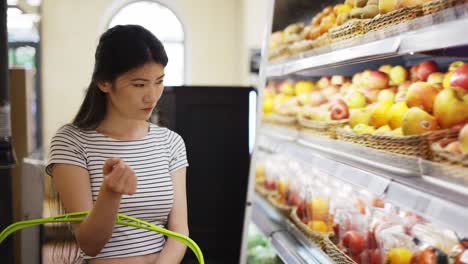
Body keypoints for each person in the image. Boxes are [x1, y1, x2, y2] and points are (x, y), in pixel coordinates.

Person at [46, 24, 189, 264]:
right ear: (104, 83)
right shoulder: (71, 141)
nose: (152, 96)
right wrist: (110, 193)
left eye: (159, 81)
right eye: (139, 84)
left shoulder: (170, 142)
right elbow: (90, 244)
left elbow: (179, 233)